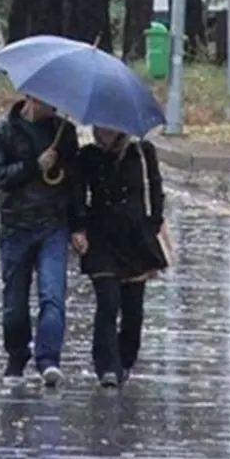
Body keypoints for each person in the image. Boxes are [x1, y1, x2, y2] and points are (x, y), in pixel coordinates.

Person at [0, 96, 80, 388]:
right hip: (16, 226)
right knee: (14, 301)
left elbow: (74, 183)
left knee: (53, 294)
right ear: (31, 98)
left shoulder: (64, 132)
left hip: (53, 225)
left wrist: (78, 226)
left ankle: (48, 359)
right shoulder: (2, 131)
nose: (54, 106)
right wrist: (33, 166)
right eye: (48, 101)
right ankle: (16, 357)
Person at [72, 127, 168, 387]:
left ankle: (125, 360)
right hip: (101, 238)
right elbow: (78, 195)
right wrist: (78, 228)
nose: (104, 131)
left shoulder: (142, 153)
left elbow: (155, 190)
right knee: (108, 302)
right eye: (100, 126)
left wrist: (153, 223)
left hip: (135, 239)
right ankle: (106, 367)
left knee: (133, 309)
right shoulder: (88, 156)